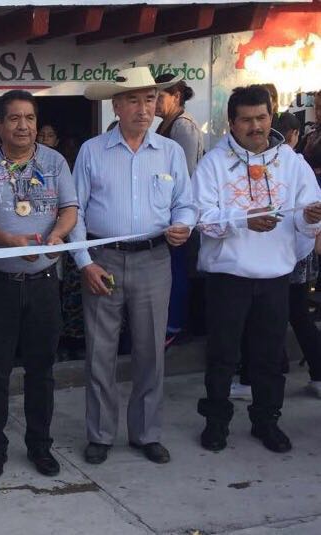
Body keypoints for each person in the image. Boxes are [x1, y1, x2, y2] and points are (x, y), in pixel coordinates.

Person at [70, 67, 197, 465]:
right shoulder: (93, 151)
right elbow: (74, 213)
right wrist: (84, 262)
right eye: (133, 100)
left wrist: (184, 224)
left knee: (150, 353)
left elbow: (185, 202)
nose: (144, 108)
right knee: (101, 352)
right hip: (103, 260)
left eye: (149, 99)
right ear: (116, 105)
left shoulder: (171, 152)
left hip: (155, 259)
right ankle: (101, 434)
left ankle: (146, 433)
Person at [194, 86, 321, 454]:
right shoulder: (213, 164)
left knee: (268, 357)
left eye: (262, 117)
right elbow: (201, 217)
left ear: (271, 116)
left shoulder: (291, 162)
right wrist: (242, 220)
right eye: (247, 120)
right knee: (222, 356)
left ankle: (266, 421)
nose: (256, 126)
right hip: (227, 278)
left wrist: (312, 216)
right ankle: (216, 423)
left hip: (274, 279)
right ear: (231, 123)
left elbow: (308, 209)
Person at [0, 90, 78, 480]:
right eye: (14, 118)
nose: (23, 126)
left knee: (41, 370)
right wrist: (10, 242)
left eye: (29, 118)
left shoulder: (54, 161)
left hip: (44, 282)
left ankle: (40, 445)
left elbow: (69, 209)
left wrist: (57, 237)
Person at [154, 75, 206, 348]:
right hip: (167, 212)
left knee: (177, 271)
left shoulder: (183, 127)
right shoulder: (166, 124)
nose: (155, 104)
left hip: (178, 214)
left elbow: (181, 176)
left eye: (159, 97)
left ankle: (175, 326)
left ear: (176, 96)